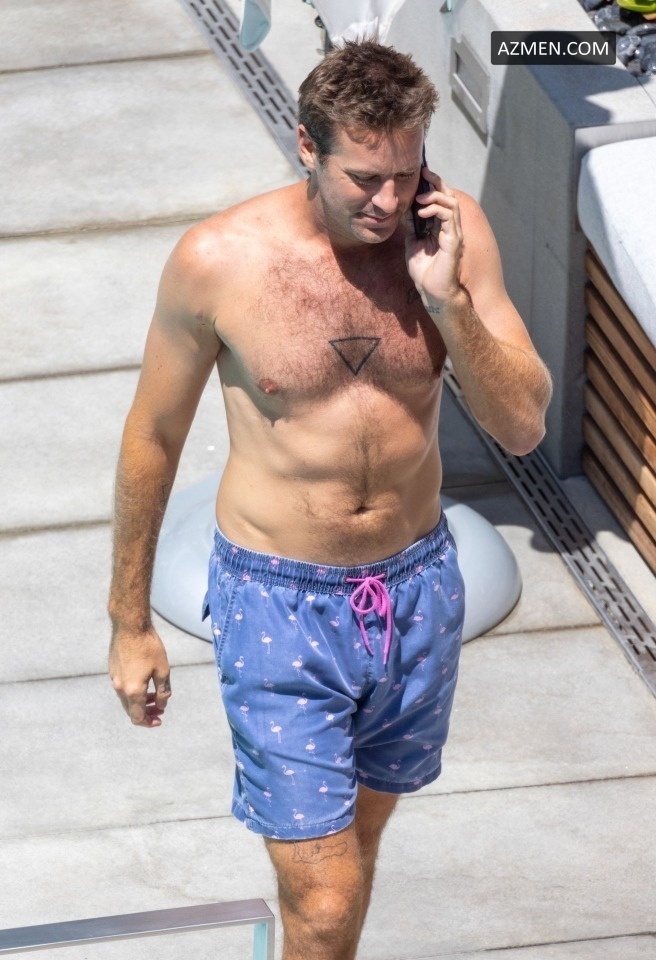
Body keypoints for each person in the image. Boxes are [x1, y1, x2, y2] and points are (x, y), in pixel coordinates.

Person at [108, 40, 552, 960]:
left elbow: (522, 427)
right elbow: (152, 437)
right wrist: (128, 621)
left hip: (417, 591)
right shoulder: (217, 261)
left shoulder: (450, 232)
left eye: (406, 173)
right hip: (278, 603)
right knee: (323, 893)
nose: (389, 201)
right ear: (307, 147)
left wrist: (449, 303)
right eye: (364, 178)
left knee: (355, 852)